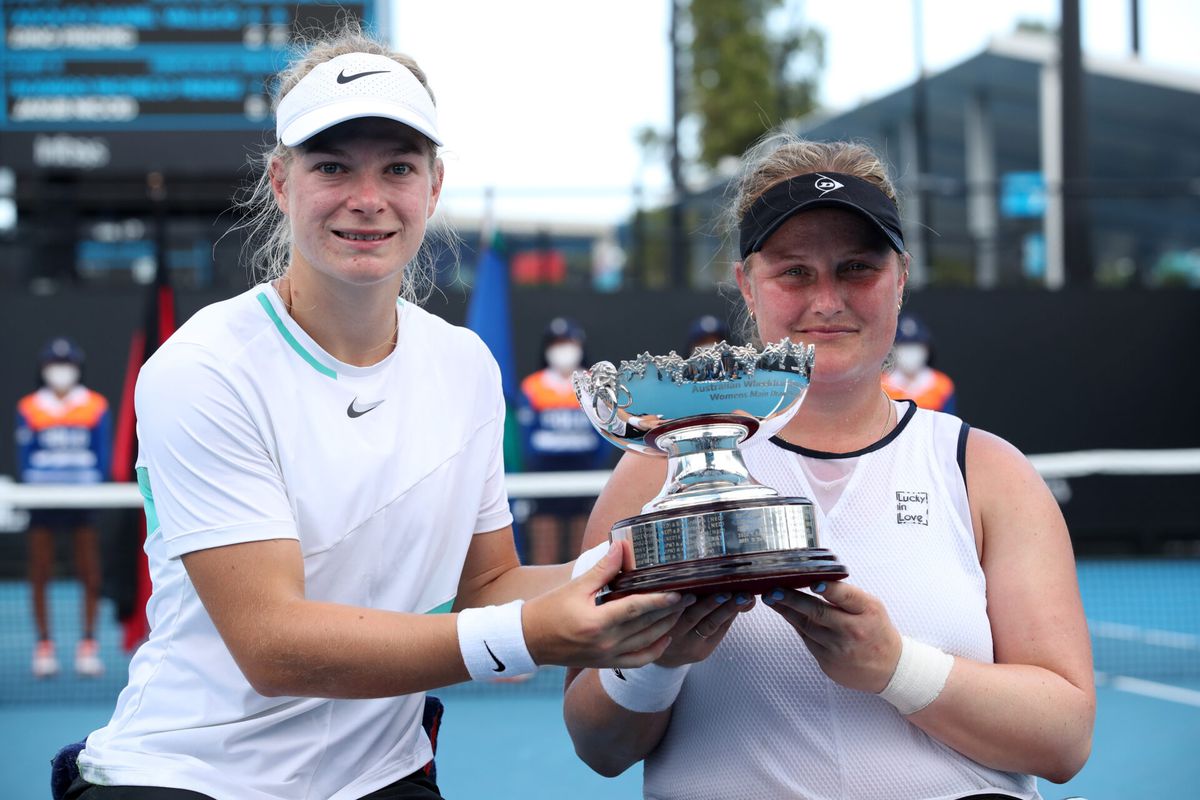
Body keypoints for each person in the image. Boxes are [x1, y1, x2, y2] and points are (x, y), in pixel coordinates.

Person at [67, 25, 688, 800]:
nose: (368, 200)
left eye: (397, 168)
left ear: (432, 188)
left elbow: (488, 581)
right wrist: (525, 638)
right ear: (280, 183)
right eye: (332, 166)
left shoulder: (464, 366)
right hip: (188, 779)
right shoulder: (203, 369)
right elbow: (274, 646)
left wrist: (653, 572)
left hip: (384, 777)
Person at [563, 135, 1094, 799]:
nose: (826, 300)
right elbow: (597, 745)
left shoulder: (985, 472)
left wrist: (894, 667)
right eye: (795, 272)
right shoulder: (656, 469)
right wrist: (656, 663)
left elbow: (1065, 738)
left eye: (856, 269)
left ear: (900, 278)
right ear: (747, 287)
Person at [16, 336, 110, 679]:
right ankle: (44, 646)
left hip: (83, 498)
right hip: (42, 499)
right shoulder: (30, 407)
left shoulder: (94, 405)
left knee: (89, 571)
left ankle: (88, 645)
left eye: (67, 364)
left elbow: (102, 456)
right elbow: (25, 455)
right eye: (55, 365)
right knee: (39, 570)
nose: (61, 371)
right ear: (43, 370)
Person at [516, 317, 609, 565]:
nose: (563, 348)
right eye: (557, 343)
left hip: (586, 477)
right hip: (546, 479)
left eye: (568, 341)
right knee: (545, 550)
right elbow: (526, 441)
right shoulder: (533, 386)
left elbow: (606, 433)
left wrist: (594, 465)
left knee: (585, 553)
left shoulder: (593, 383)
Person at [883, 311, 957, 413]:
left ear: (927, 349)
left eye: (915, 346)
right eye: (904, 347)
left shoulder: (942, 385)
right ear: (893, 349)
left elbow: (948, 424)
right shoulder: (881, 385)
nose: (910, 352)